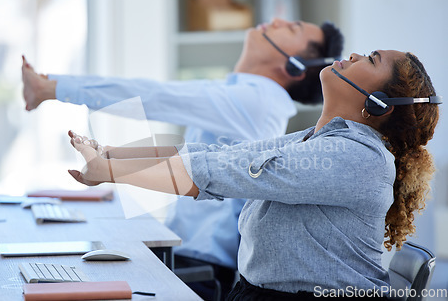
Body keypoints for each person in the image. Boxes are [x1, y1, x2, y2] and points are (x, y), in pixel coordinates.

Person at [66, 49, 440, 300]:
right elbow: (216, 155)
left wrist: (112, 172)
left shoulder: (355, 157)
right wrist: (113, 155)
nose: (355, 54)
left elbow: (225, 172)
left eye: (371, 59)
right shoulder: (311, 140)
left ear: (378, 104)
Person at [22, 18, 344, 300]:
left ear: (296, 66)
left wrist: (52, 88)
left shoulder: (256, 101)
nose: (276, 20)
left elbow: (153, 97)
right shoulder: (240, 93)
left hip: (198, 273)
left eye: (292, 28)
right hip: (183, 259)